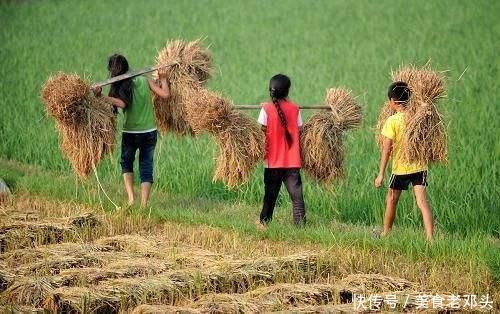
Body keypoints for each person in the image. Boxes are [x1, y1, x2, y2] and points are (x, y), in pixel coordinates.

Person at [93, 54, 170, 208]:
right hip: (149, 131)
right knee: (146, 165)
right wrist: (163, 78)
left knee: (126, 163)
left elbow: (121, 103)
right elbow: (165, 95)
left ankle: (131, 199)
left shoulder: (121, 85)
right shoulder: (144, 79)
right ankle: (144, 204)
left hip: (131, 133)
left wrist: (101, 96)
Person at [374, 81, 434, 240]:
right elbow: (426, 112)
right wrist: (423, 106)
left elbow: (386, 149)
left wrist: (380, 174)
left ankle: (386, 234)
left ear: (393, 102)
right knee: (422, 201)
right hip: (419, 166)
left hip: (400, 168)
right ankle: (430, 240)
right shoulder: (416, 116)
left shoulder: (392, 121)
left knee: (391, 199)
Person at [256, 74, 306, 229]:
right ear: (287, 91)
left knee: (270, 196)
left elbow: (261, 130)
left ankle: (264, 223)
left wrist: (266, 107)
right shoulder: (295, 109)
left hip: (272, 162)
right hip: (292, 162)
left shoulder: (266, 109)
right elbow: (300, 129)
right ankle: (301, 227)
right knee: (297, 198)